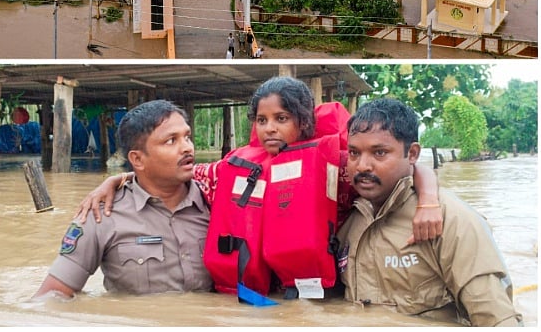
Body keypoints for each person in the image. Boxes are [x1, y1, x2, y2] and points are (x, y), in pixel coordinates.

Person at [78, 77, 443, 301]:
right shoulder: (228, 171)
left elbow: (408, 169)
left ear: (303, 122)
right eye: (263, 120)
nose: (270, 128)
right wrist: (117, 179)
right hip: (256, 295)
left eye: (282, 119)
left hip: (318, 291)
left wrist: (428, 199)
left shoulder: (338, 168)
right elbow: (176, 174)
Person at [338, 99, 522, 326]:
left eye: (380, 153)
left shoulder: (452, 220)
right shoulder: (347, 218)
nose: (362, 165)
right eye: (354, 153)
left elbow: (496, 320)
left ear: (412, 154)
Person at [35, 100, 212, 298]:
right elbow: (50, 298)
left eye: (187, 137)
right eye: (171, 141)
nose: (187, 148)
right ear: (137, 159)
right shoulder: (100, 215)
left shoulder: (216, 200)